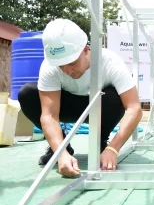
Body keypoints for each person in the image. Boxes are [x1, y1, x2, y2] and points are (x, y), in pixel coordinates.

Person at [18, 18, 143, 178]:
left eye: (72, 63)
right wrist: (61, 153)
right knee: (27, 93)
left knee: (115, 96)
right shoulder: (49, 66)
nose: (67, 71)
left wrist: (113, 149)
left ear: (85, 50)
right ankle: (62, 145)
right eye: (61, 65)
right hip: (67, 106)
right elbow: (48, 115)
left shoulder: (110, 62)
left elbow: (134, 108)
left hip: (101, 108)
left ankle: (101, 143)